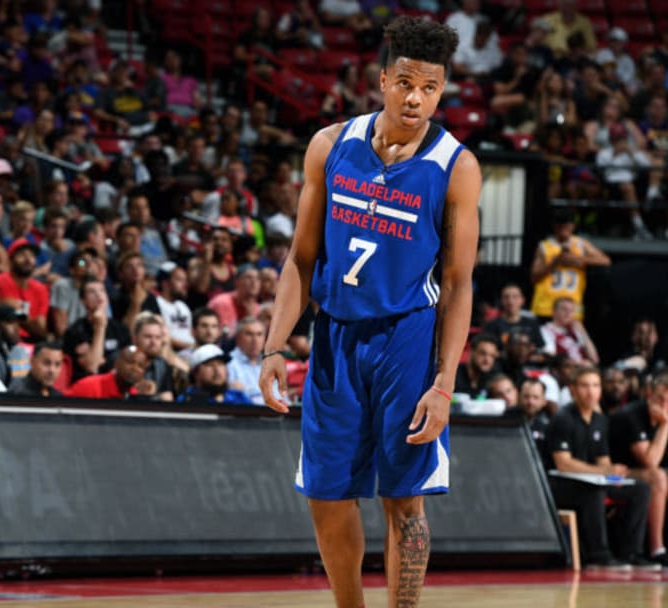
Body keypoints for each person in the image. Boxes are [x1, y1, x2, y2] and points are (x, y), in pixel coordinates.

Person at [258, 18, 481, 607]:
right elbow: (301, 259)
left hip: (407, 338)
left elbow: (459, 285)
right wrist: (274, 345)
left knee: (402, 499)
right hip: (334, 336)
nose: (415, 98)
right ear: (382, 79)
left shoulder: (455, 167)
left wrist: (444, 384)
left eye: (430, 88)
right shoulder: (330, 146)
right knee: (327, 494)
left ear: (441, 92)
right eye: (405, 82)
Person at [546, 367, 656, 570]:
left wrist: (614, 473)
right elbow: (564, 463)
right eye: (585, 386)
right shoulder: (563, 419)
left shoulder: (600, 421)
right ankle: (599, 555)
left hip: (594, 480)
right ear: (572, 390)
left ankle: (631, 553)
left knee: (640, 488)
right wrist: (601, 472)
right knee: (594, 491)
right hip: (563, 484)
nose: (591, 391)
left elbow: (603, 461)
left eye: (595, 385)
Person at [609, 371, 668, 566]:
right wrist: (665, 425)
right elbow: (650, 461)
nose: (665, 405)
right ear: (649, 393)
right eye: (661, 398)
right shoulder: (631, 416)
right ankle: (657, 549)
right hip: (612, 477)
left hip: (634, 476)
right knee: (657, 477)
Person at [530, 208, 610, 321]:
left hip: (572, 308)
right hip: (547, 307)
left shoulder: (580, 244)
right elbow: (534, 277)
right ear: (554, 226)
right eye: (560, 224)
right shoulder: (544, 246)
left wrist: (578, 259)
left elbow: (605, 260)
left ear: (572, 226)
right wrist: (555, 262)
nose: (563, 228)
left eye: (567, 224)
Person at [65, 345, 151, 400]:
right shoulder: (88, 386)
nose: (135, 368)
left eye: (140, 366)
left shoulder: (134, 395)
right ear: (116, 363)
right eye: (129, 362)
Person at [179, 344, 252, 405]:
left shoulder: (239, 397)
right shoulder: (187, 400)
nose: (217, 370)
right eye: (209, 365)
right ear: (196, 373)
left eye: (220, 364)